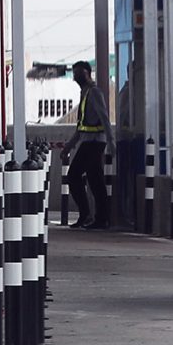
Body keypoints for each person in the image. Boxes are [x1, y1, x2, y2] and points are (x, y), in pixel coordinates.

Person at [68, 60, 110, 228]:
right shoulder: (84, 93)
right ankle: (98, 218)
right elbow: (81, 125)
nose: (75, 77)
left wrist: (111, 143)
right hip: (88, 141)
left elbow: (105, 119)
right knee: (95, 179)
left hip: (95, 142)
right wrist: (69, 145)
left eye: (77, 73)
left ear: (86, 73)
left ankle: (88, 215)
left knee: (74, 175)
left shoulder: (94, 93)